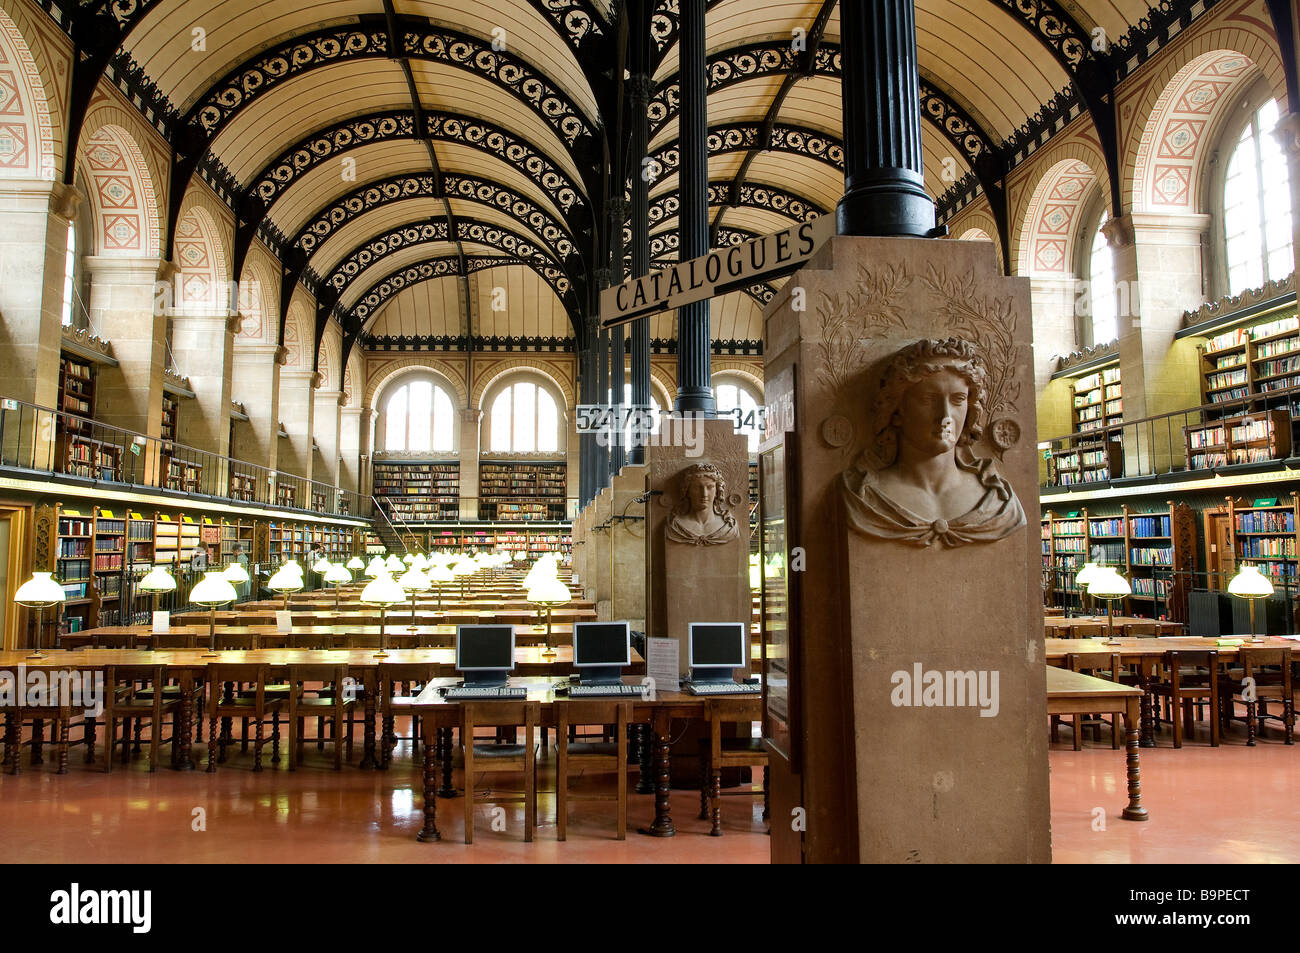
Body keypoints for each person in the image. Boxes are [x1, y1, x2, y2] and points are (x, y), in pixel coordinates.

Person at [840, 337, 1025, 548]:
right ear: (897, 410)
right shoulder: (864, 498)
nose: (945, 416)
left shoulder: (998, 501)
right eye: (928, 400)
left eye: (958, 400)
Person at [665, 462, 739, 546]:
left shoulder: (728, 526)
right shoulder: (675, 526)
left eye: (710, 487)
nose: (704, 494)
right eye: (697, 487)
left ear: (717, 491)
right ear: (687, 491)